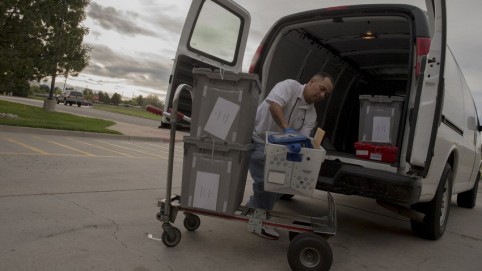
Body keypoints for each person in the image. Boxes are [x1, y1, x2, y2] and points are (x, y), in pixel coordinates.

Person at [247, 72, 335, 240]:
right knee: (267, 182)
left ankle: (254, 207)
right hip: (258, 140)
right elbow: (274, 105)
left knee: (286, 183)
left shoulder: (311, 115)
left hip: (279, 150)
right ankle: (258, 223)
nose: (322, 95)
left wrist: (302, 146)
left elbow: (302, 137)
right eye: (322, 89)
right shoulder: (289, 86)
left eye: (326, 94)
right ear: (311, 81)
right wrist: (287, 129)